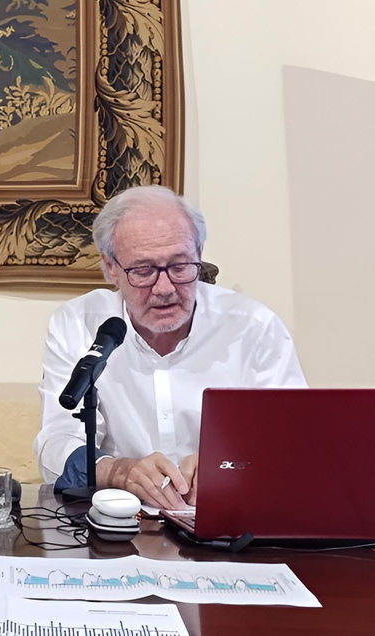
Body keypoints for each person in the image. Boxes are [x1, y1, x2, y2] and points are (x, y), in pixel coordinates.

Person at [34, 185, 306, 509]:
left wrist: (230, 466)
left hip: (231, 520)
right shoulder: (78, 324)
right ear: (111, 268)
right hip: (121, 523)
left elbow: (296, 442)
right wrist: (119, 472)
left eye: (179, 267)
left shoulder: (253, 327)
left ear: (199, 254)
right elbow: (57, 442)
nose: (164, 288)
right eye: (143, 271)